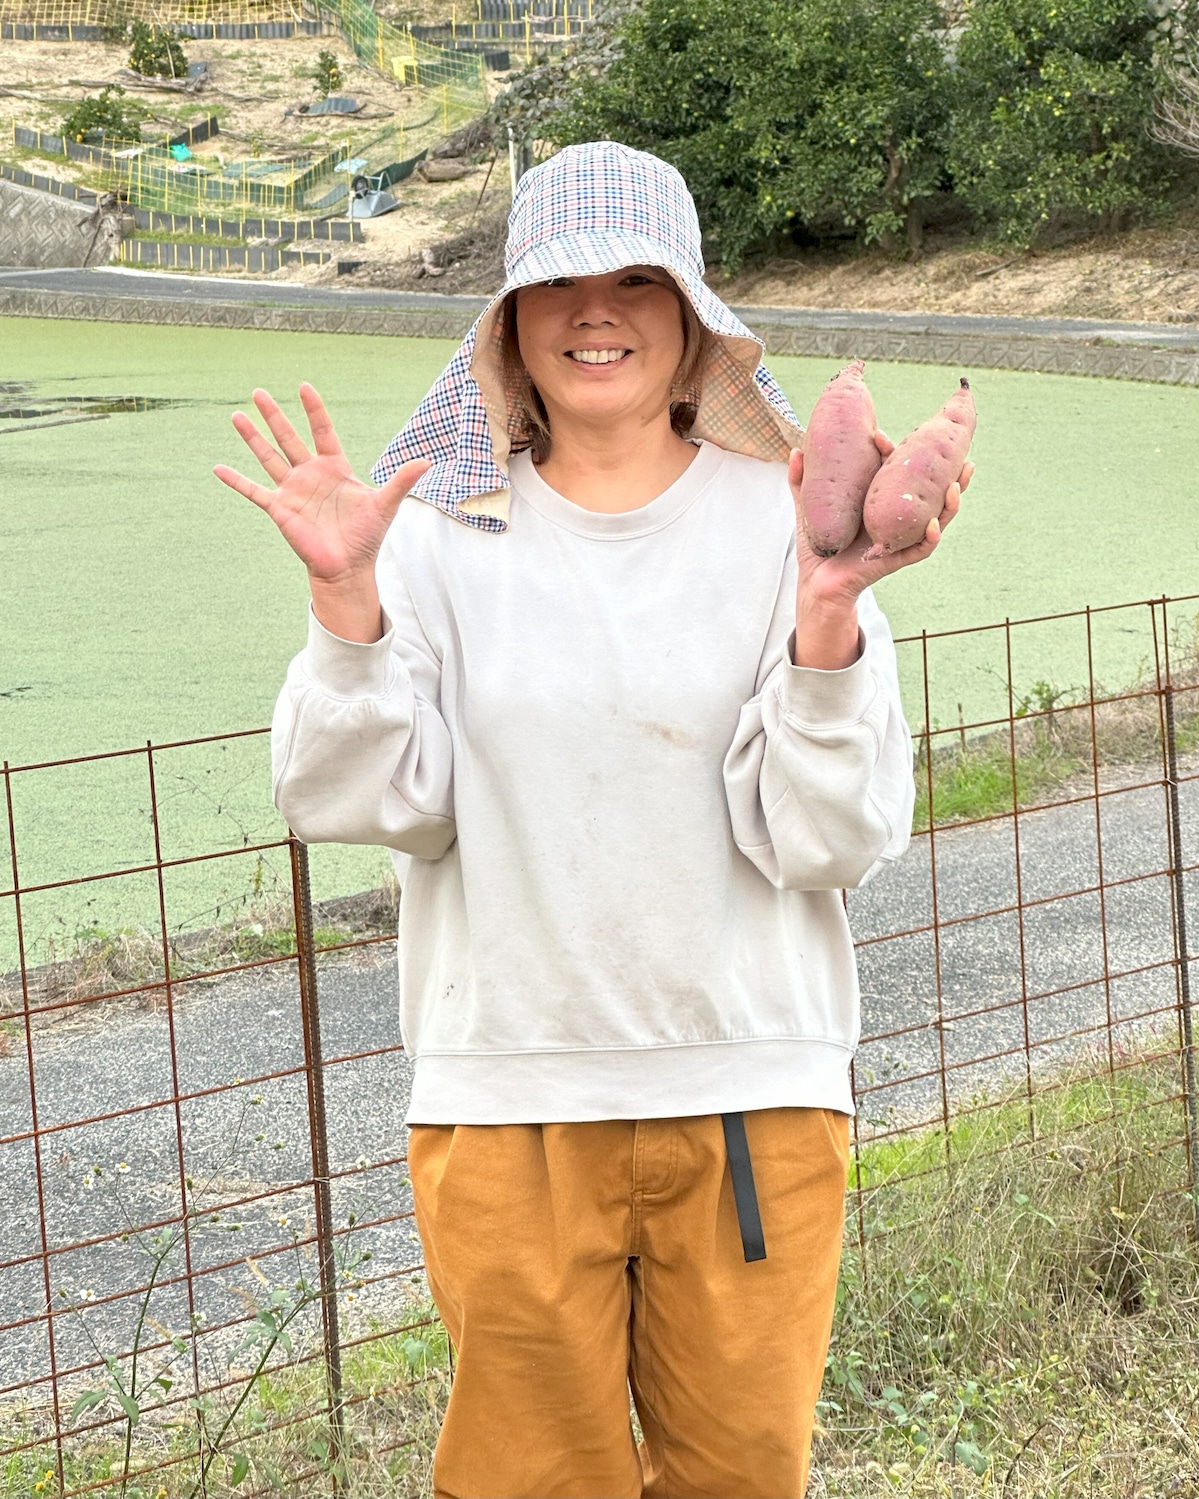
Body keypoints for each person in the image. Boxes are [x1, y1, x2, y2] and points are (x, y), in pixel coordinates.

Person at [215, 141, 970, 1499]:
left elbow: (833, 840)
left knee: (741, 1475)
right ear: (507, 325)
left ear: (694, 326)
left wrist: (823, 628)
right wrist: (345, 611)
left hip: (750, 1091)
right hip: (510, 1101)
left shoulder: (787, 525)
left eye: (639, 278)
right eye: (557, 282)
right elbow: (352, 798)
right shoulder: (436, 531)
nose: (596, 309)